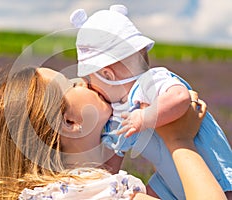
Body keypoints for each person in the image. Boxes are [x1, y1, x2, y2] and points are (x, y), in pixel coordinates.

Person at [0, 66, 226, 199]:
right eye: (72, 84)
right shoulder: (104, 194)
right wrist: (179, 141)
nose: (84, 80)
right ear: (70, 122)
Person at [70, 4, 232, 199]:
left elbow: (179, 97)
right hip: (168, 179)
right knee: (145, 192)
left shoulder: (150, 81)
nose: (89, 86)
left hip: (210, 167)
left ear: (107, 75)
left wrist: (145, 117)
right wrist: (101, 182)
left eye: (90, 80)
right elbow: (113, 157)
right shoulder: (117, 113)